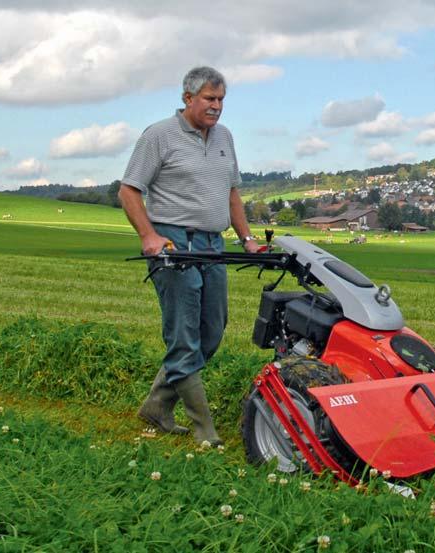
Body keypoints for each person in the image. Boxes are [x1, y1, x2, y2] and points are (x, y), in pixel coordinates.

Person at [119, 66, 259, 446]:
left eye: (221, 100)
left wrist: (247, 238)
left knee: (211, 331)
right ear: (187, 98)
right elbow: (129, 190)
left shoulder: (225, 137)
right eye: (209, 99)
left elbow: (231, 193)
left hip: (213, 244)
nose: (216, 107)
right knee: (183, 335)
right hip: (174, 244)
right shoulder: (159, 136)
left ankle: (156, 405)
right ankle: (204, 429)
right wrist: (149, 235)